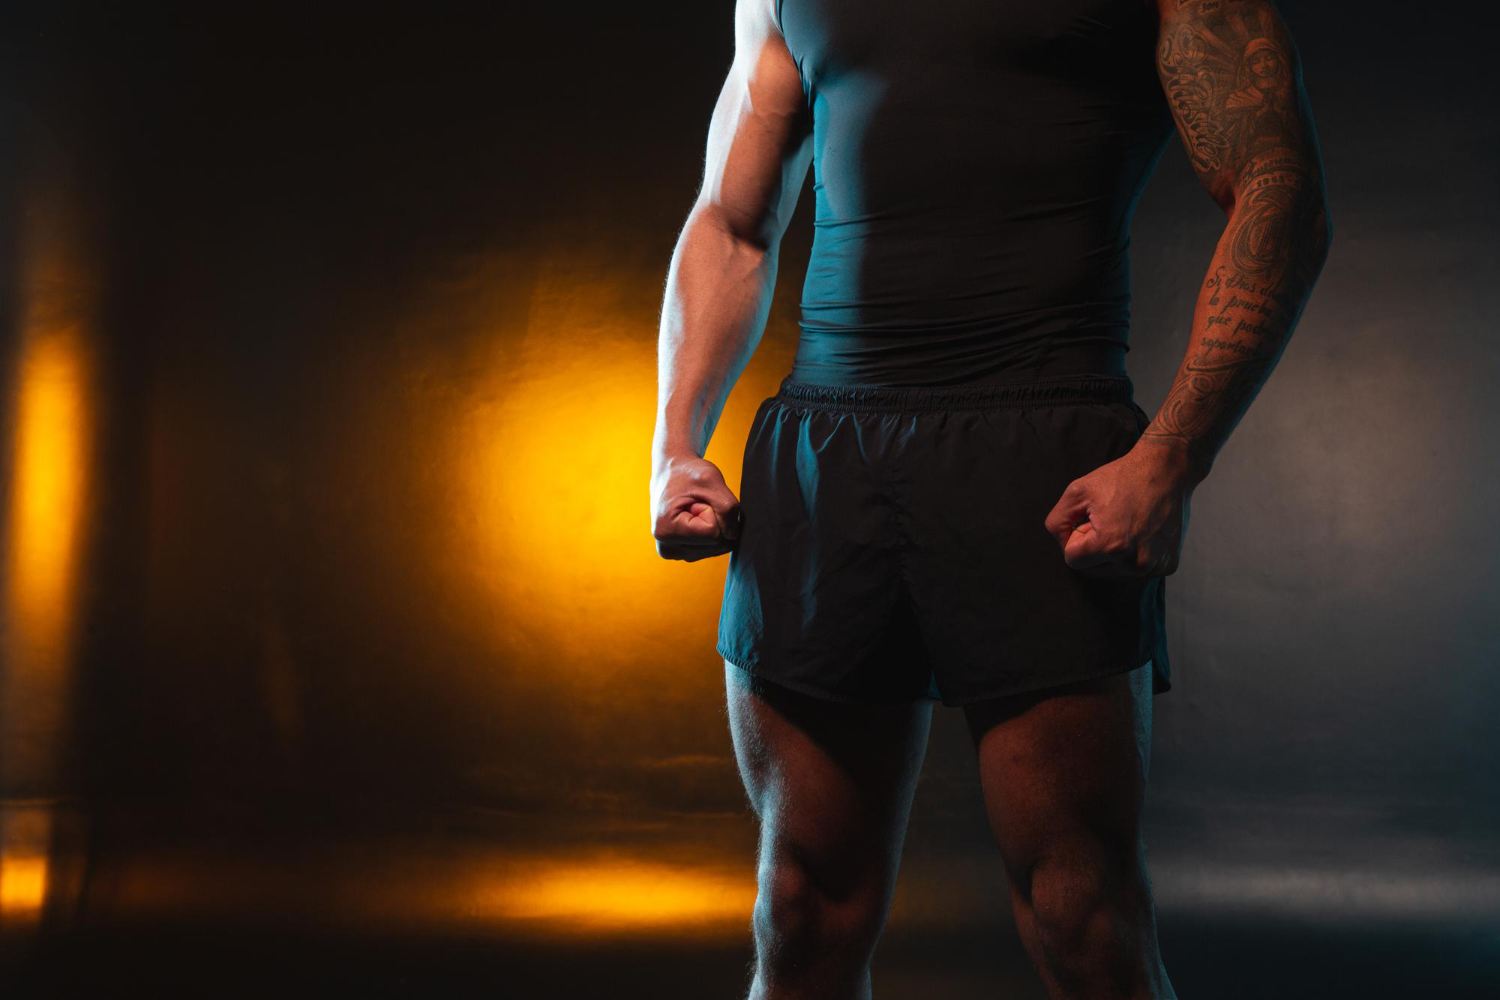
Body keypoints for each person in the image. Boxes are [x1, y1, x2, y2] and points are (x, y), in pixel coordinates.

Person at [649, 0, 1330, 996]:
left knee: (1081, 915)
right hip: (825, 454)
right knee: (801, 910)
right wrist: (674, 446)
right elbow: (734, 221)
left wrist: (1172, 458)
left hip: (1041, 452)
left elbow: (1280, 187)